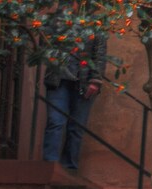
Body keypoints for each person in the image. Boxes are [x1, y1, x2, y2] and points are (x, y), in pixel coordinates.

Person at [42, 32, 108, 170]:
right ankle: (49, 164)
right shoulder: (60, 21)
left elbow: (100, 56)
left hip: (83, 82)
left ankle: (70, 167)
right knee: (55, 121)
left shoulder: (97, 27)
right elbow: (46, 43)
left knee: (76, 127)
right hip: (58, 80)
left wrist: (95, 80)